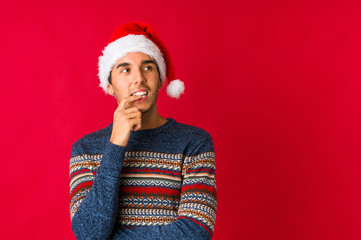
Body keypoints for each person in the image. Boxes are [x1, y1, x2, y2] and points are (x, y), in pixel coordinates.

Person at [69, 22, 217, 240]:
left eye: (148, 67)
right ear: (109, 85)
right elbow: (87, 232)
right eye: (125, 70)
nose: (138, 78)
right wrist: (115, 145)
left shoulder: (194, 142)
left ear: (159, 80)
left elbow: (195, 232)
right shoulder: (85, 149)